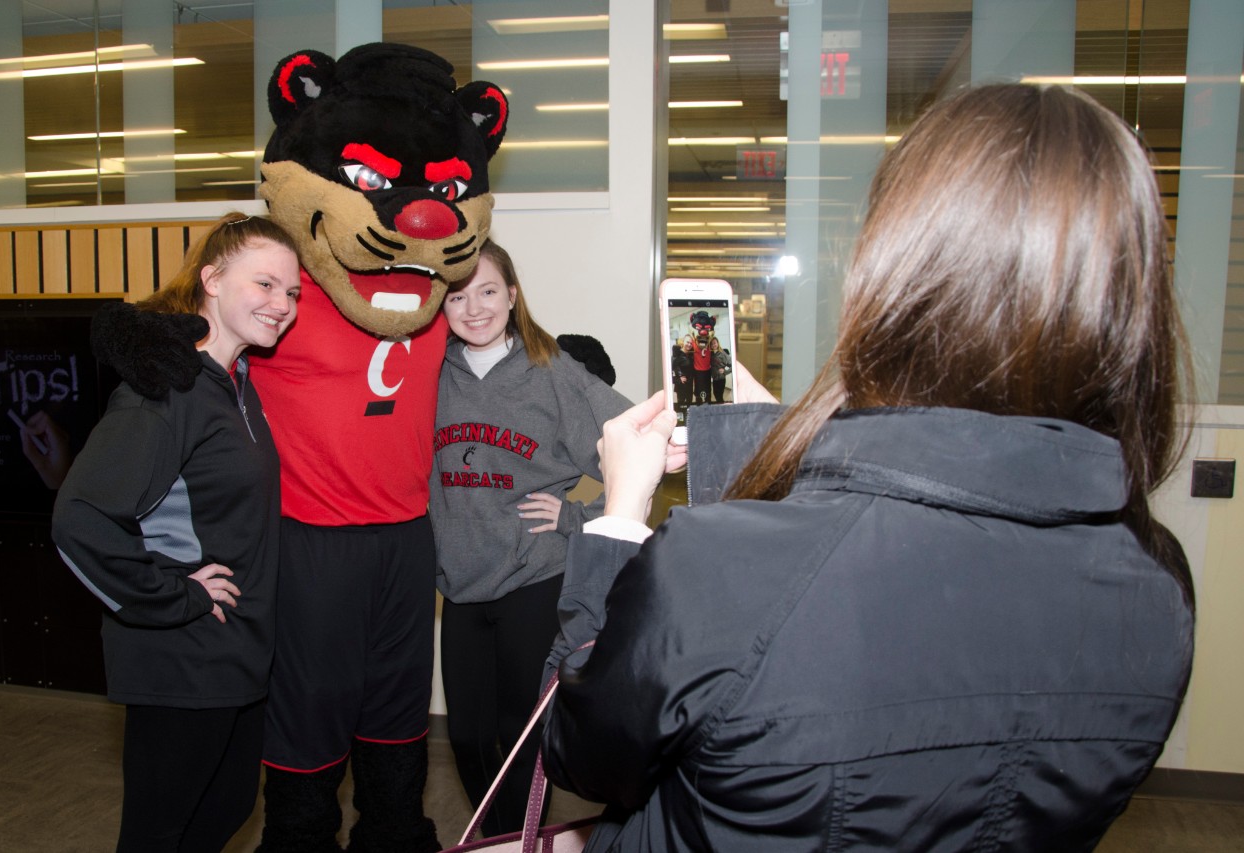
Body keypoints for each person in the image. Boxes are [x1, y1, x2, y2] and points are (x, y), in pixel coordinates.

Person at [539, 83, 1196, 851]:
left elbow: (581, 748)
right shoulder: (1158, 592)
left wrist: (619, 517)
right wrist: (773, 437)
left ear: (898, 275)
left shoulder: (713, 568)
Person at [51, 213, 301, 852]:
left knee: (225, 811)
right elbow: (81, 517)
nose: (282, 304)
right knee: (159, 834)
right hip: (182, 656)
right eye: (265, 284)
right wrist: (175, 594)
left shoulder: (235, 385)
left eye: (292, 292)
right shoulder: (167, 391)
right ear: (212, 280)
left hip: (236, 651)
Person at [431, 239, 631, 836]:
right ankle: (501, 840)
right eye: (457, 297)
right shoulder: (432, 374)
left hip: (534, 578)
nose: (474, 309)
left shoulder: (552, 372)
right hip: (460, 584)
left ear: (513, 295)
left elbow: (636, 447)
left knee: (520, 737)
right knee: (467, 738)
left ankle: (513, 844)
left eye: (488, 291)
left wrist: (576, 518)